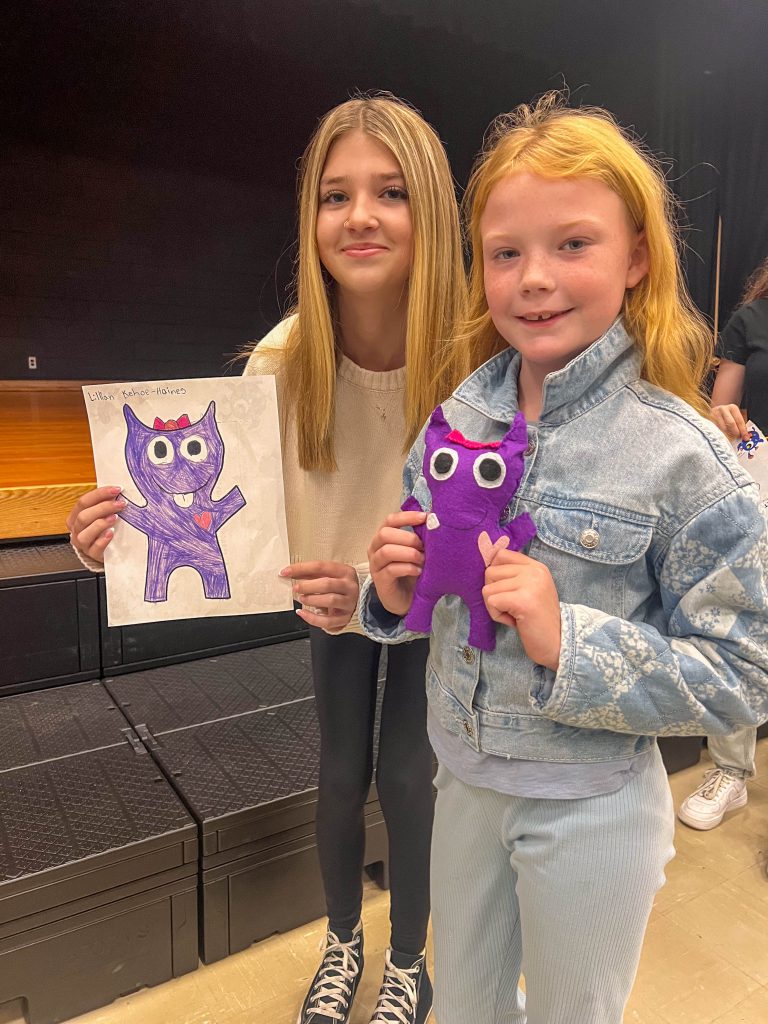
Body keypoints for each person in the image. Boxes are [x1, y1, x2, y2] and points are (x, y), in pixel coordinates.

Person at [361, 93, 768, 1024]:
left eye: (572, 244)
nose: (535, 278)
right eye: (506, 253)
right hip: (460, 783)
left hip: (593, 808)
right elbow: (419, 585)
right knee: (463, 1010)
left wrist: (569, 641)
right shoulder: (459, 415)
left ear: (635, 256)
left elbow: (745, 674)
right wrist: (388, 589)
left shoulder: (684, 459)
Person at [66, 93, 468, 1024]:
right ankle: (343, 943)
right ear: (310, 216)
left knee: (411, 770)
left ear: (434, 213)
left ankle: (408, 959)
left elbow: (507, 513)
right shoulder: (285, 360)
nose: (360, 216)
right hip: (332, 607)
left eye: (391, 192)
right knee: (338, 771)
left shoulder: (468, 357)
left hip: (428, 609)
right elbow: (204, 515)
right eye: (336, 195)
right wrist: (112, 543)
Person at [677, 255, 768, 831]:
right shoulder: (751, 320)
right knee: (734, 619)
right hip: (757, 480)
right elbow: (715, 414)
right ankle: (732, 770)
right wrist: (725, 420)